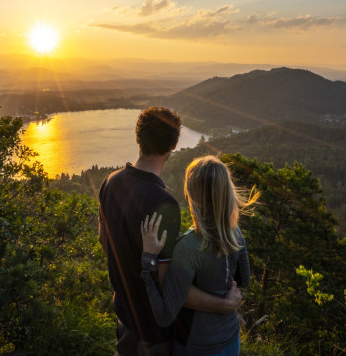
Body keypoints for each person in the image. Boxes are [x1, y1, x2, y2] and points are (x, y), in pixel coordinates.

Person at [99, 108, 243, 356]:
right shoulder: (162, 203)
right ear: (174, 145)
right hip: (152, 327)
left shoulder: (111, 182)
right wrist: (223, 305)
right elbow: (170, 286)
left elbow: (104, 240)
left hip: (124, 312)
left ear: (138, 137)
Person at [140, 156, 257, 356]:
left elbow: (164, 315)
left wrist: (148, 259)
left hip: (199, 346)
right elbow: (243, 279)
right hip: (231, 339)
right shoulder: (235, 232)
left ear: (191, 195)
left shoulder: (188, 248)